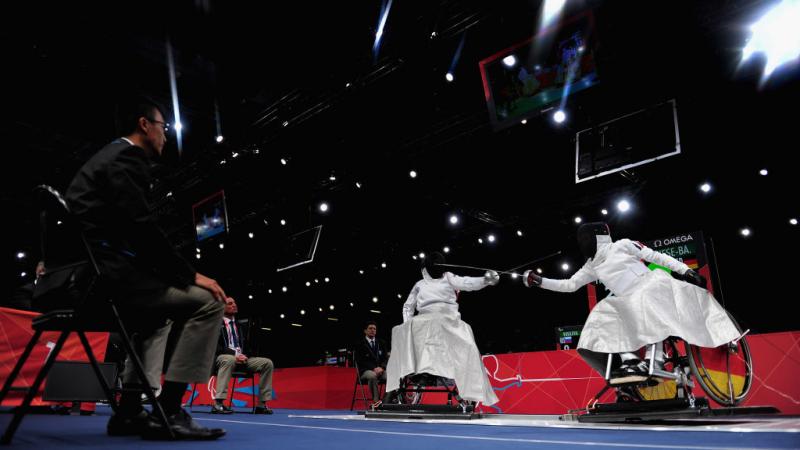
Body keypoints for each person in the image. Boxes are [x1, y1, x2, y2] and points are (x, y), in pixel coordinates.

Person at [65, 96, 226, 440]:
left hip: (88, 280)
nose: (165, 136)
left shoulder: (103, 161)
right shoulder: (125, 158)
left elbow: (128, 233)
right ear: (144, 125)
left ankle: (128, 411)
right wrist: (190, 275)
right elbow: (141, 230)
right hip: (107, 283)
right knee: (209, 302)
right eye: (163, 127)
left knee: (154, 320)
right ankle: (169, 411)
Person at [523, 222, 741, 384]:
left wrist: (685, 271)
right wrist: (540, 281)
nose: (584, 243)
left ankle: (655, 359)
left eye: (586, 238)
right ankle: (628, 364)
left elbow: (656, 257)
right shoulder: (592, 266)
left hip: (652, 286)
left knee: (642, 300)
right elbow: (569, 285)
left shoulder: (623, 245)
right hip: (628, 299)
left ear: (597, 237)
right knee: (604, 310)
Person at [385, 252, 500, 406]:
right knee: (400, 331)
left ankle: (471, 388)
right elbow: (408, 306)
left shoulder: (449, 277)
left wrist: (485, 280)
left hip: (448, 319)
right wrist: (407, 324)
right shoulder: (419, 284)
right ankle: (419, 372)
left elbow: (466, 283)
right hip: (423, 321)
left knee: (469, 346)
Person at [211, 296, 274, 414]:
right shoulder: (215, 324)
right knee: (229, 359)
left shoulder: (240, 326)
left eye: (234, 302)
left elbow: (247, 347)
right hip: (222, 358)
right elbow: (215, 347)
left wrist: (244, 356)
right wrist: (235, 355)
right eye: (230, 303)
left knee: (267, 363)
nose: (234, 305)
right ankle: (218, 404)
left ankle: (261, 405)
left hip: (242, 359)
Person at [353, 321, 389, 406]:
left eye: (374, 329)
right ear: (365, 331)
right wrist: (374, 368)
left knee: (391, 377)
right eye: (370, 328)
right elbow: (360, 361)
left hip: (380, 370)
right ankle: (376, 402)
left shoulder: (381, 343)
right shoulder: (359, 344)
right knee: (373, 375)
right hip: (366, 371)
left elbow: (386, 358)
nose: (373, 330)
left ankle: (386, 401)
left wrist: (382, 367)